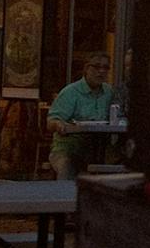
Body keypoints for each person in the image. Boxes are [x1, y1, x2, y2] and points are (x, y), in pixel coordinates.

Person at [45, 50, 118, 180]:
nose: (101, 71)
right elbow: (51, 121)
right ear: (86, 68)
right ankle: (66, 198)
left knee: (121, 166)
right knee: (66, 166)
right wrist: (59, 124)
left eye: (105, 68)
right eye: (96, 66)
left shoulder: (109, 92)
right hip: (70, 148)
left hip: (100, 148)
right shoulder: (70, 92)